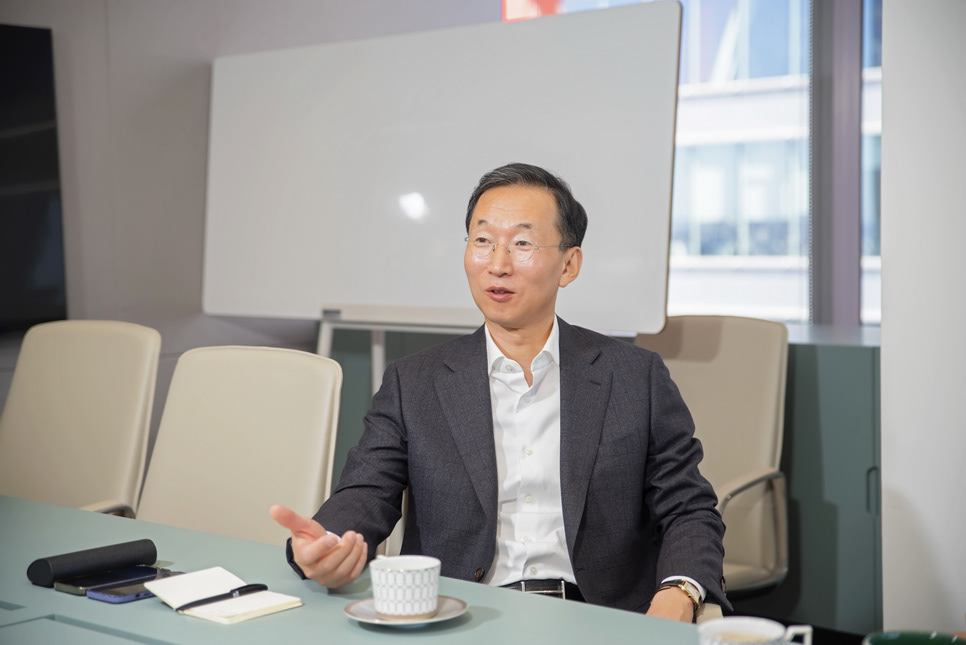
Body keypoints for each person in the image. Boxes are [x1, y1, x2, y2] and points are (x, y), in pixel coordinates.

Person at [271, 162, 728, 622]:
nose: (498, 264)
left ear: (569, 265)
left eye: (522, 244)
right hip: (460, 615)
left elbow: (688, 507)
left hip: (600, 616)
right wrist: (326, 544)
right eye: (483, 240)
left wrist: (679, 592)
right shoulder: (416, 382)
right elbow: (367, 492)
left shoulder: (633, 376)